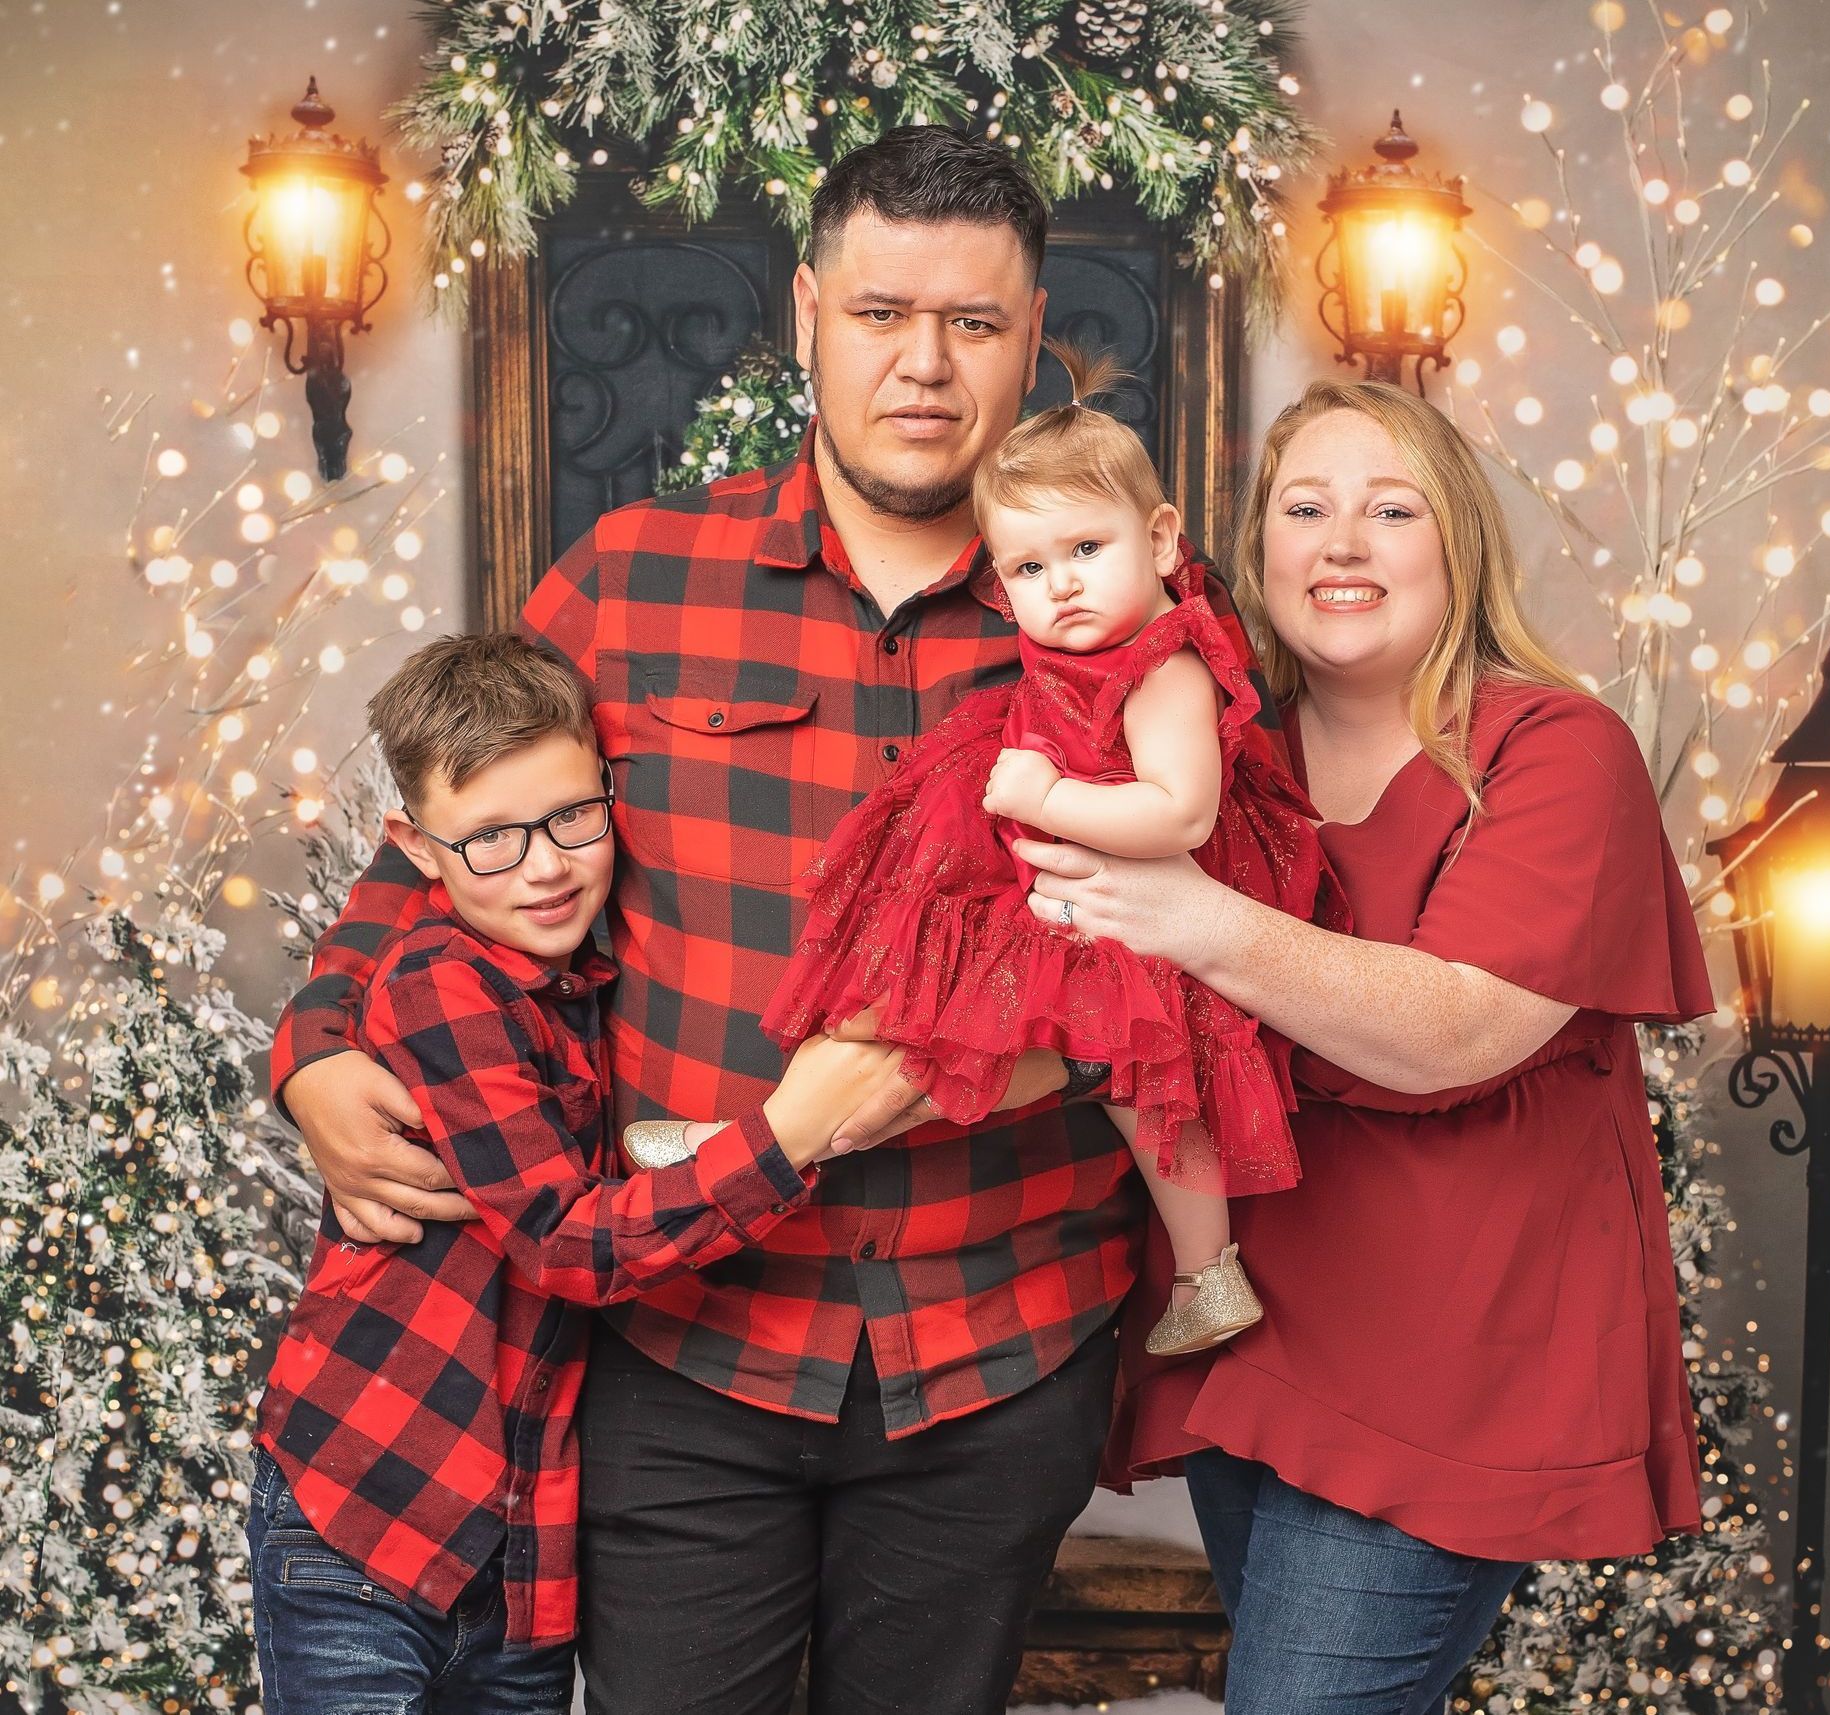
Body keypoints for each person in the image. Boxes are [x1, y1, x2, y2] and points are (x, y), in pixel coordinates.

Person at [268, 127, 1260, 1715]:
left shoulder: (1118, 611)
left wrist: (1037, 1058)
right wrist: (318, 1053)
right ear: (807, 313)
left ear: (1033, 335)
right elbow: (443, 857)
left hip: (999, 1337)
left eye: (973, 322)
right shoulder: (633, 580)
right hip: (688, 1342)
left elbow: (1227, 929)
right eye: (880, 314)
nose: (923, 364)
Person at [1014, 379, 1714, 1715]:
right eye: (1306, 508)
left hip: (1451, 1366)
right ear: (1252, 545)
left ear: (1458, 543)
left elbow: (1451, 1028)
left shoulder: (1557, 751)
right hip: (1253, 1332)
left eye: (1392, 511)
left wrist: (1190, 914)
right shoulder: (1212, 757)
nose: (1342, 543)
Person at [248, 634, 911, 1714]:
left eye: (571, 817)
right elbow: (568, 1242)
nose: (545, 865)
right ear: (416, 848)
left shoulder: (583, 986)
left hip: (519, 1562)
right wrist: (788, 1133)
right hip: (369, 1515)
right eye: (491, 839)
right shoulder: (440, 984)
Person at [763, 339, 1344, 1357]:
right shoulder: (1089, 647)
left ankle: (1209, 1269)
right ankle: (766, 1134)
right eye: (1030, 568)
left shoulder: (1166, 665)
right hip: (1069, 880)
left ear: (1160, 540)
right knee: (908, 972)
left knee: (1141, 1085)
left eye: (1086, 550)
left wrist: (1048, 794)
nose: (1061, 585)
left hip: (1152, 901)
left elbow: (1182, 814)